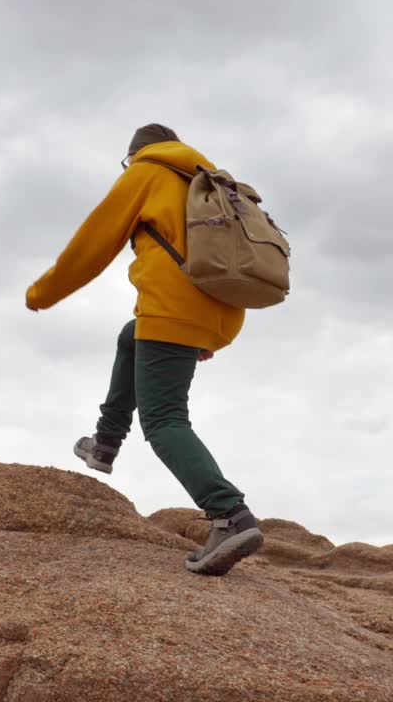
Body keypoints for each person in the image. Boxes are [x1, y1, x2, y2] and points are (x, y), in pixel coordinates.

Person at [25, 124, 262, 576]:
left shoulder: (148, 172)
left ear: (135, 154)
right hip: (222, 310)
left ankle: (229, 515)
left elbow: (92, 245)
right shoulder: (209, 181)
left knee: (165, 420)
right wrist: (203, 332)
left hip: (175, 308)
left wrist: (42, 293)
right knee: (129, 336)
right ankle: (106, 443)